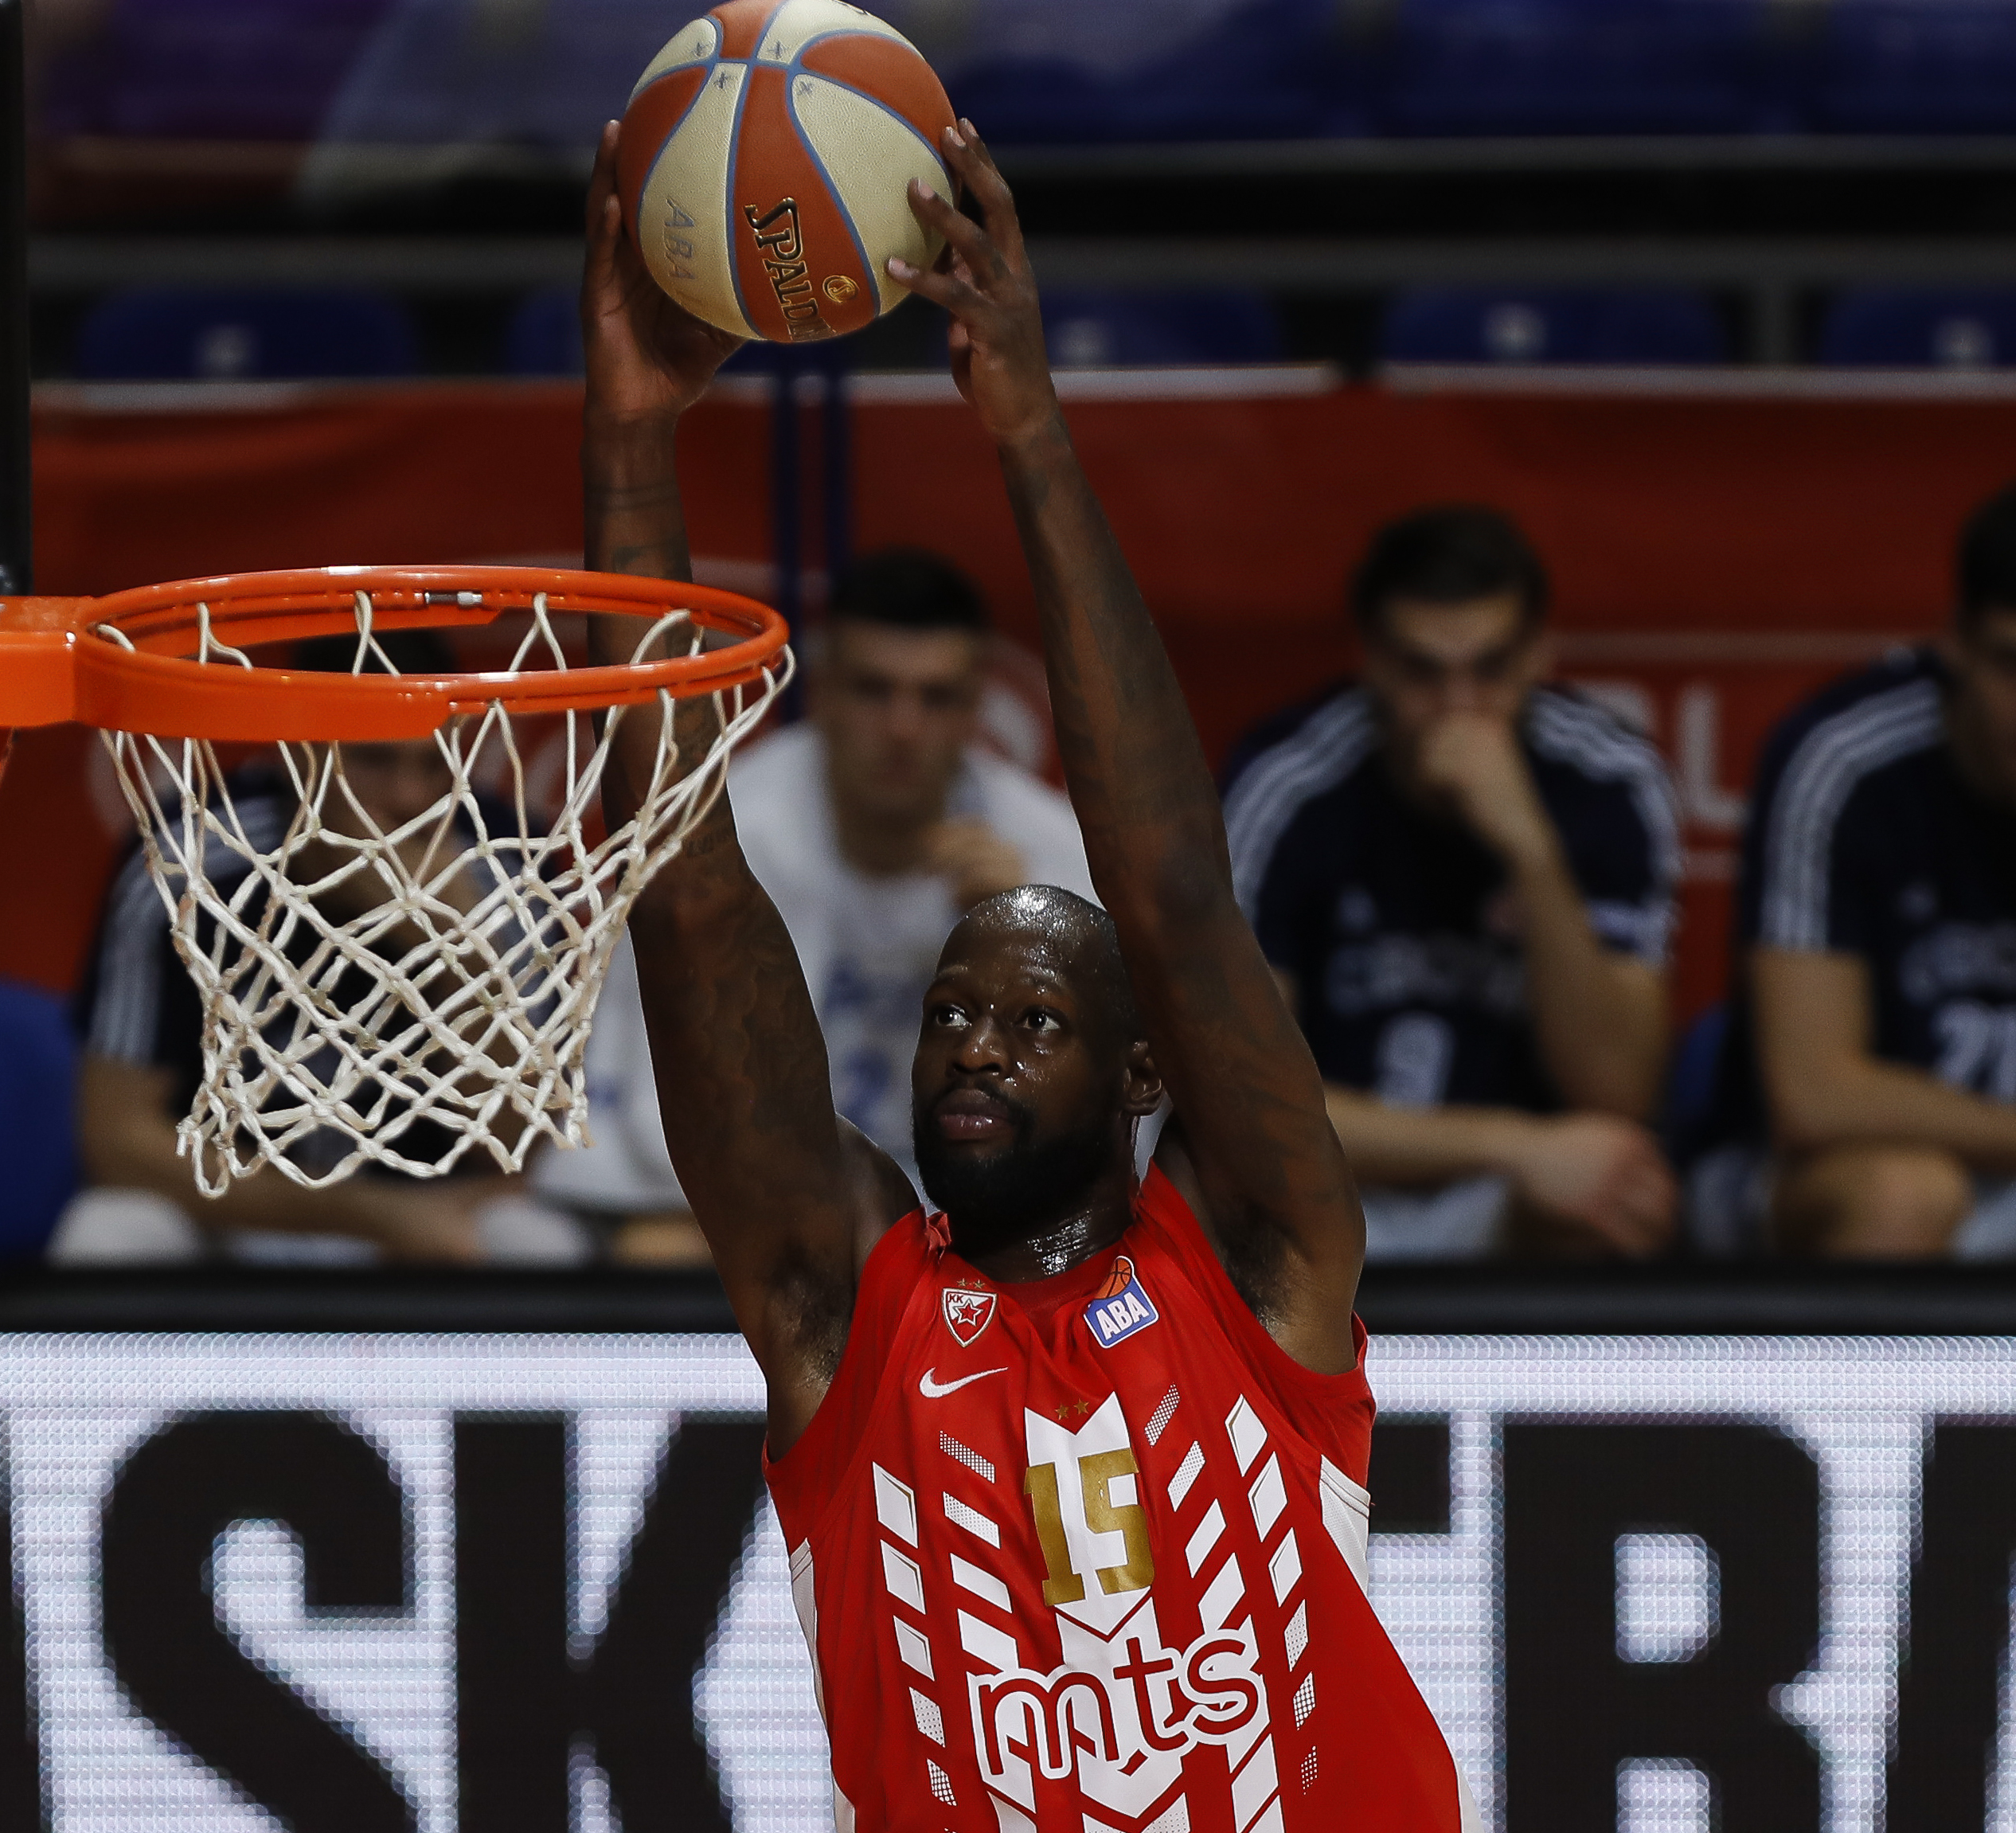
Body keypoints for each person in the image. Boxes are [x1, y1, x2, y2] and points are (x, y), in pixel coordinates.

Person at [576, 115, 1469, 1826]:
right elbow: (687, 899)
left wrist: (1029, 431)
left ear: (1147, 1076)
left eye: (1038, 1016)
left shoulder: (1264, 1261)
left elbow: (1174, 896)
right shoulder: (850, 1314)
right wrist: (631, 439)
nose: (974, 1043)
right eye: (954, 1012)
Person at [537, 548, 1095, 1260]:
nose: (902, 727)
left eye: (936, 698)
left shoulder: (1047, 854)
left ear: (975, 708)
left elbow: (1102, 1137)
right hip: (766, 1222)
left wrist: (1029, 955)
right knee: (632, 1251)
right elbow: (666, 1122)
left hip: (982, 1224)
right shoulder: (721, 835)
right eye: (873, 690)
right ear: (822, 692)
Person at [1721, 478, 2016, 1260]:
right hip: (1836, 1169)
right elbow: (1814, 1096)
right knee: (1909, 1195)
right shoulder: (1845, 759)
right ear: (1957, 645)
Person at [1221, 507, 1682, 1259]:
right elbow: (1242, 1105)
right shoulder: (1288, 786)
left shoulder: (1609, 781)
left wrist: (1531, 851)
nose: (1458, 709)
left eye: (1491, 669)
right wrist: (1513, 1144)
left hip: (1515, 1201)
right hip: (1328, 1179)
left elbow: (1618, 1090)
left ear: (1541, 654)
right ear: (1369, 657)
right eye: (1422, 672)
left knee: (1617, 1200)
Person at [56, 629, 587, 1266]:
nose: (410, 800)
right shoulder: (191, 862)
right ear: (296, 753)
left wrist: (452, 952)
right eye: (374, 761)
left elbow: (529, 1143)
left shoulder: (504, 868)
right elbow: (115, 1141)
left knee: (539, 1245)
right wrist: (371, 1217)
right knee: (108, 1234)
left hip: (437, 1211)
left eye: (432, 766)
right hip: (234, 1202)